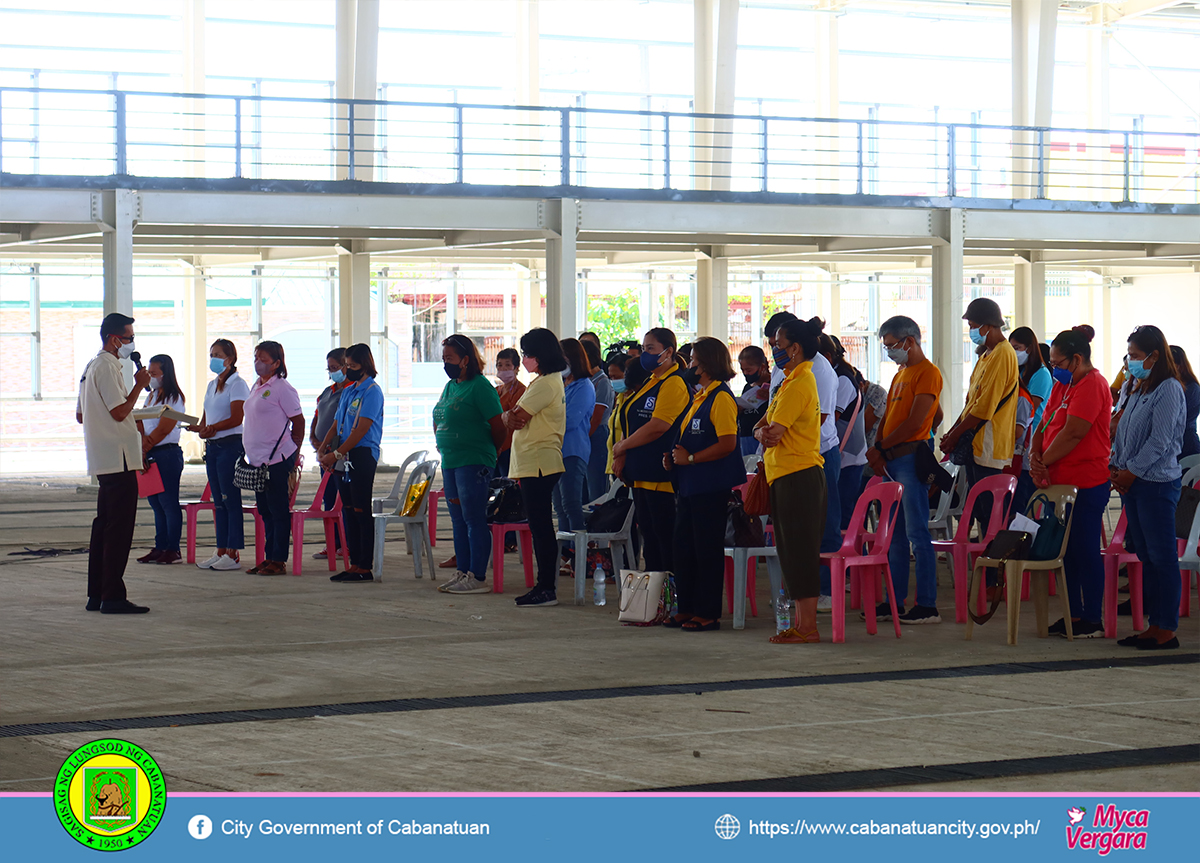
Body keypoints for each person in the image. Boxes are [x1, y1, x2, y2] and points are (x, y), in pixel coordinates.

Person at [1030, 326, 1112, 639]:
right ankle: (1072, 614)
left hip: (1086, 482)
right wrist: (1036, 457)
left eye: (1058, 363)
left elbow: (1074, 433)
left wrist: (1043, 462)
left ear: (1076, 359)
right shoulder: (1063, 387)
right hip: (1056, 483)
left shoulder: (1093, 384)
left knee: (1084, 549)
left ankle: (1091, 617)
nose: (1055, 370)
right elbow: (1044, 422)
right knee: (1064, 552)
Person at [1111, 325, 1187, 650]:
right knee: (1145, 555)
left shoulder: (1169, 389)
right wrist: (1116, 465)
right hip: (1132, 482)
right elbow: (1122, 429)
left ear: (1155, 356)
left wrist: (1132, 471)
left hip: (1156, 483)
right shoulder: (1138, 387)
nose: (1130, 362)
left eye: (1136, 356)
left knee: (1162, 556)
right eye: (1129, 356)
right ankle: (1153, 624)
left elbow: (1161, 440)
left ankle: (1166, 628)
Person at [662, 337, 745, 633]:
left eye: (695, 359)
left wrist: (693, 458)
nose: (691, 364)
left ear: (708, 364)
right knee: (683, 547)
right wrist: (674, 458)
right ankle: (686, 607)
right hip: (689, 486)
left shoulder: (721, 397)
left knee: (705, 550)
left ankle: (708, 612)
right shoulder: (700, 396)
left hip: (709, 486)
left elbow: (727, 443)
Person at [866, 316, 944, 624]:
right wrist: (880, 445)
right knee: (894, 535)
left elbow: (916, 421)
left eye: (891, 345)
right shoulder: (901, 374)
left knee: (917, 533)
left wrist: (884, 447)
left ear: (909, 342)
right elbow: (891, 417)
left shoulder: (928, 373)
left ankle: (927, 604)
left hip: (909, 461)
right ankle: (894, 601)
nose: (889, 351)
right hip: (892, 461)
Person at [755, 317, 827, 644]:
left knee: (800, 551)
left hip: (798, 474)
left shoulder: (800, 382)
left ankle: (807, 626)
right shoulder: (789, 380)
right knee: (789, 550)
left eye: (777, 345)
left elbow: (772, 432)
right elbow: (762, 426)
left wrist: (763, 431)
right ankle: (800, 623)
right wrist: (762, 430)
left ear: (794, 348)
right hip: (785, 474)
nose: (773, 350)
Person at [75, 312, 151, 614]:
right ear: (114, 338)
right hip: (118, 458)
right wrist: (138, 385)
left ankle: (97, 594)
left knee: (104, 527)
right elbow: (120, 412)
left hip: (103, 457)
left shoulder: (91, 367)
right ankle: (113, 596)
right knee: (119, 529)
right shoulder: (107, 367)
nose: (132, 343)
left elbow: (82, 414)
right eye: (129, 338)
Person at [425, 335, 506, 592]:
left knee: (473, 518)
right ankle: (463, 571)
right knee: (457, 520)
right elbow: (440, 414)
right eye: (444, 359)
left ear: (466, 360)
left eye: (450, 358)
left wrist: (492, 451)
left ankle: (478, 576)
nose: (445, 363)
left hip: (473, 461)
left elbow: (498, 426)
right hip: (451, 460)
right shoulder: (451, 386)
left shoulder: (480, 386)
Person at [940, 297, 1020, 545]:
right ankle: (985, 569)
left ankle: (996, 574)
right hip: (977, 445)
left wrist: (954, 435)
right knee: (981, 512)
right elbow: (971, 403)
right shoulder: (987, 355)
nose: (972, 331)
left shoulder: (1003, 354)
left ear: (989, 325)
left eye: (974, 325)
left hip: (990, 445)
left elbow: (984, 409)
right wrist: (953, 431)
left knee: (991, 515)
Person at [612, 328, 689, 574]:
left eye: (651, 349)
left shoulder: (674, 382)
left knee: (665, 539)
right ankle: (655, 598)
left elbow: (658, 426)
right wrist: (622, 452)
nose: (645, 354)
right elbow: (631, 419)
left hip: (661, 473)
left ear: (669, 351)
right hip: (641, 472)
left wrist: (622, 446)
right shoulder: (650, 380)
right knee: (650, 539)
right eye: (644, 349)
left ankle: (671, 597)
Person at [504, 328, 568, 607]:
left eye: (527, 354)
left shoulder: (545, 384)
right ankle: (544, 585)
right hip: (535, 461)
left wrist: (508, 416)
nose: (525, 359)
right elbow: (513, 417)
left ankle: (546, 587)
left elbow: (517, 417)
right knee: (539, 524)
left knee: (541, 526)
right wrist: (509, 416)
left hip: (539, 462)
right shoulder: (546, 381)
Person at [317, 343, 384, 582]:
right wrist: (324, 446)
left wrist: (336, 454)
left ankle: (365, 566)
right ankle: (354, 563)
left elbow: (360, 430)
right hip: (343, 455)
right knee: (348, 511)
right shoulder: (348, 390)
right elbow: (337, 424)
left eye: (352, 365)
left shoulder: (372, 391)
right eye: (347, 365)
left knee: (360, 510)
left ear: (364, 365)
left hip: (362, 455)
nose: (348, 369)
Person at [243, 340, 305, 576]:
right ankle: (269, 556)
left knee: (278, 510)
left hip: (278, 459)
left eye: (263, 359)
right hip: (259, 460)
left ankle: (279, 559)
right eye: (256, 357)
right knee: (265, 510)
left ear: (277, 363)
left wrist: (294, 453)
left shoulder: (282, 388)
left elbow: (298, 422)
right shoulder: (257, 385)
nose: (257, 362)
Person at [191, 339, 250, 572]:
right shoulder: (212, 384)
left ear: (230, 358)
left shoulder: (238, 384)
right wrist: (201, 428)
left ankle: (233, 551)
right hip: (213, 446)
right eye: (211, 354)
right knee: (218, 501)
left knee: (230, 499)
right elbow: (207, 416)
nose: (213, 359)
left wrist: (213, 428)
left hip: (230, 445)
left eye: (217, 354)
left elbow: (237, 418)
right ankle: (221, 548)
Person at [135, 354, 186, 566]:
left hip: (166, 453)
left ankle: (172, 548)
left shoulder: (175, 398)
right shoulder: (151, 397)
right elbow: (139, 421)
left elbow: (164, 428)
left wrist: (145, 447)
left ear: (166, 375)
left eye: (154, 374)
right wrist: (142, 449)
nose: (151, 377)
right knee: (156, 504)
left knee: (168, 503)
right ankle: (160, 546)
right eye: (150, 373)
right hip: (151, 453)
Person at [551, 338, 597, 569]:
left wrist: (544, 420)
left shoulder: (584, 386)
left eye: (564, 358)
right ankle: (569, 555)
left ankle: (583, 557)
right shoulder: (561, 383)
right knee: (559, 507)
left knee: (571, 503)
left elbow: (570, 420)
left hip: (573, 451)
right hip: (556, 452)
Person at [822, 335, 868, 530]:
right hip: (844, 455)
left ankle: (852, 559)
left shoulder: (843, 379)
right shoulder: (837, 375)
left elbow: (829, 418)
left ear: (827, 356)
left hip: (848, 457)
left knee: (844, 518)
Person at [310, 348, 347, 561]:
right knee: (328, 500)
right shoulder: (327, 392)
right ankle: (332, 544)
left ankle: (346, 544)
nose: (332, 372)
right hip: (324, 454)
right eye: (329, 368)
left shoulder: (351, 391)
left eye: (336, 368)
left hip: (340, 455)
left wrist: (330, 448)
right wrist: (316, 442)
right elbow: (317, 417)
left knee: (342, 501)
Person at [1010, 326, 1052, 512]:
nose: (1014, 352)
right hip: (1017, 442)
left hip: (1031, 439)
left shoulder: (1041, 374)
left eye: (1017, 348)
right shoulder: (1019, 371)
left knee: (1025, 499)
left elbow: (1029, 409)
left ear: (1029, 348)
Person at [582, 338, 615, 502]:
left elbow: (595, 418)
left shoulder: (602, 382)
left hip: (595, 434)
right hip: (585, 435)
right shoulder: (585, 381)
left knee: (596, 488)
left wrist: (581, 438)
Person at [494, 347, 526, 478]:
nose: (503, 369)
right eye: (500, 365)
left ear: (517, 368)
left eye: (508, 365)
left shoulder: (521, 391)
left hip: (509, 448)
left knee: (507, 487)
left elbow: (513, 420)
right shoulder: (497, 391)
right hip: (494, 447)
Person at [736, 346, 770, 456]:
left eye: (749, 370)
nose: (746, 373)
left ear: (762, 367)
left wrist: (770, 396)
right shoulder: (748, 387)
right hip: (745, 434)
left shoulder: (773, 384)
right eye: (743, 370)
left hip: (763, 435)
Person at [1170, 345, 1200, 460]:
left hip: (1187, 446)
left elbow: (1178, 419)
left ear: (1179, 366)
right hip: (1175, 445)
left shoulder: (1192, 388)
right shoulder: (1167, 386)